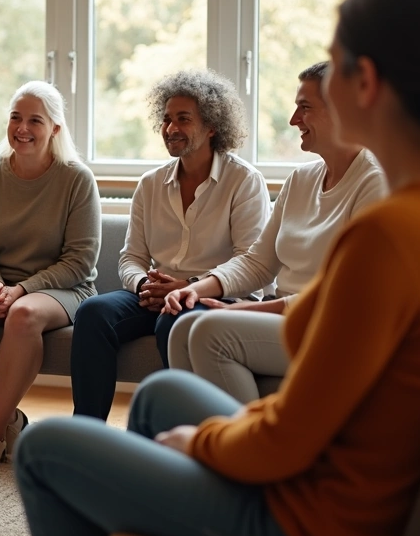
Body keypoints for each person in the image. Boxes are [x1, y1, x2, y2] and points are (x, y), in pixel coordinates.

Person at [15, 0, 420, 536]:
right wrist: (215, 430)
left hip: (320, 520)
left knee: (46, 449)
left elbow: (288, 442)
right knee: (161, 398)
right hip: (349, 476)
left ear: (363, 81)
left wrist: (202, 444)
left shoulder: (392, 236)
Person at [160, 61, 387, 402]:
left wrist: (246, 310)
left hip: (334, 328)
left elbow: (342, 291)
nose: (294, 119)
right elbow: (258, 263)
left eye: (305, 108)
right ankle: (203, 444)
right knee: (182, 328)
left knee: (210, 331)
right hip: (289, 317)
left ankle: (248, 449)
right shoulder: (301, 179)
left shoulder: (375, 183)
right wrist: (195, 289)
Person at [70, 69, 270, 420]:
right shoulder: (150, 184)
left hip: (215, 296)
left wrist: (189, 287)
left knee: (172, 322)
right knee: (93, 313)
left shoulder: (244, 182)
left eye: (183, 119)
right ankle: (88, 430)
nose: (171, 128)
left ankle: (178, 431)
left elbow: (250, 261)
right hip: (154, 294)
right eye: (166, 119)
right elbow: (130, 257)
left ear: (211, 127)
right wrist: (145, 284)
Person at [0, 81, 100, 468]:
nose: (22, 128)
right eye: (15, 117)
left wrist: (23, 289)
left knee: (23, 314)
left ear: (55, 130)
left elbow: (80, 260)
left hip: (62, 286)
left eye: (35, 120)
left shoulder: (77, 179)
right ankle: (12, 418)